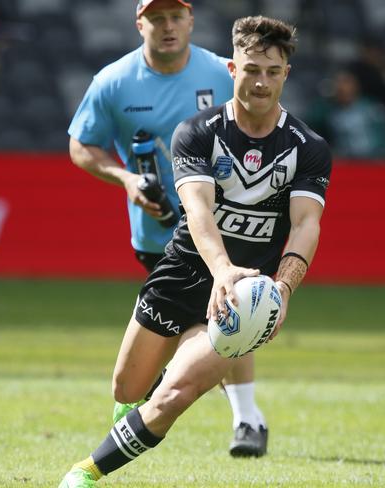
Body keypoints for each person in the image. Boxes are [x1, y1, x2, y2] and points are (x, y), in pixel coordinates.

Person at [59, 14, 332, 488]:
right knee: (128, 388)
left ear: (287, 73)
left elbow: (307, 223)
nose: (261, 82)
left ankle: (84, 474)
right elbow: (199, 213)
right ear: (232, 70)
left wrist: (283, 287)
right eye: (251, 69)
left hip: (241, 296)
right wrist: (221, 268)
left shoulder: (308, 147)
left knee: (175, 391)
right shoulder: (197, 132)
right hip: (181, 274)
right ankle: (172, 374)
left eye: (272, 71)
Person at [68, 0, 267, 458]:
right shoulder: (114, 82)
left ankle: (248, 419)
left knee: (234, 307)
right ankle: (171, 394)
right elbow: (81, 144)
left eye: (176, 16)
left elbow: (262, 125)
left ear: (192, 21)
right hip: (158, 232)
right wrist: (126, 178)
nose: (168, 26)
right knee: (190, 334)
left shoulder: (224, 72)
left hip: (222, 229)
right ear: (140, 23)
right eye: (157, 18)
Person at [305, 68, 385, 158]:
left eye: (346, 82)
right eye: (338, 83)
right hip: (343, 160)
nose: (342, 87)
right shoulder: (328, 110)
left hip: (372, 159)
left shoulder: (370, 107)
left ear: (356, 86)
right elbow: (312, 126)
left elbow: (383, 136)